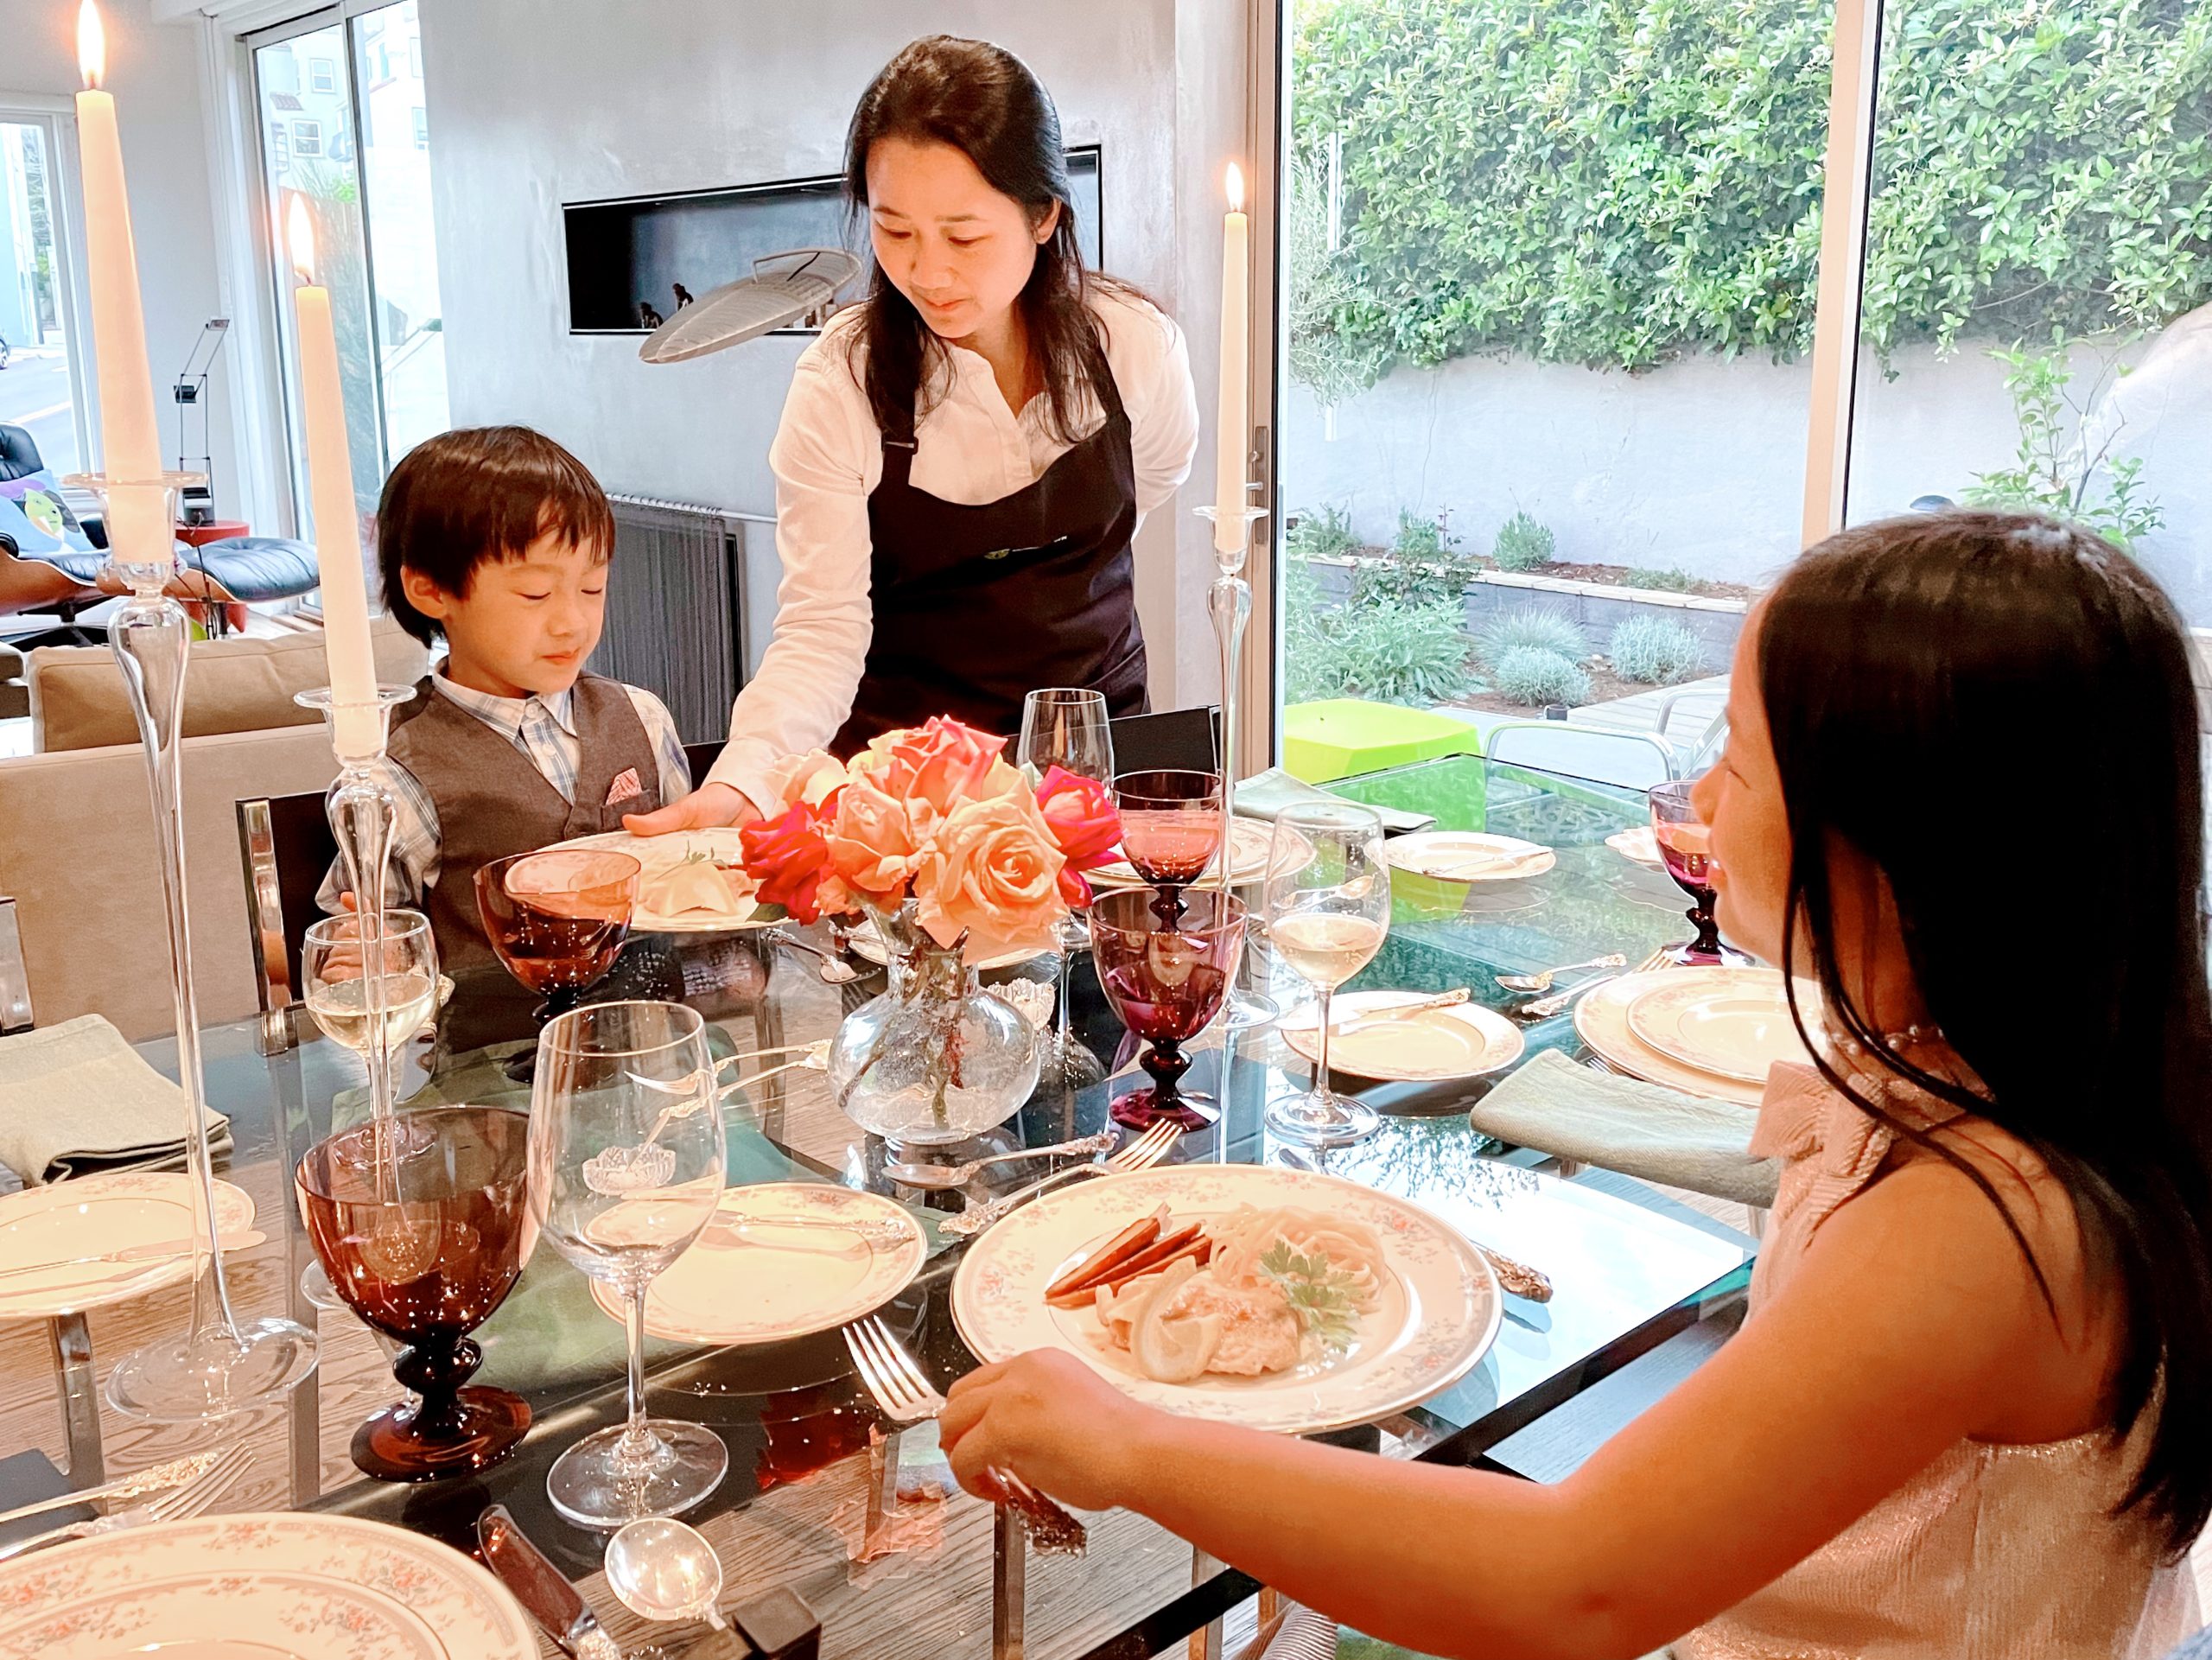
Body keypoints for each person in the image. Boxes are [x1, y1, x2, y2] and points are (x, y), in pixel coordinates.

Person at [939, 510, 2212, 1657]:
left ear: (1906, 840)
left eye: (1743, 761)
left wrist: (1134, 1444)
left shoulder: (1981, 1227)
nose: (1705, 799)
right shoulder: (2023, 1081)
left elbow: (1573, 1583)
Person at [629, 35, 1198, 835]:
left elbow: (1150, 486)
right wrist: (744, 785)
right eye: (895, 232)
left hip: (1092, 777)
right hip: (904, 807)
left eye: (963, 236)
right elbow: (822, 627)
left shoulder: (1133, 345)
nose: (927, 272)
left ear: (1044, 215)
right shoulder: (842, 384)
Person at [318, 425, 690, 973]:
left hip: (651, 1032)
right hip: (491, 1050)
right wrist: (366, 958)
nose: (572, 623)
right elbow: (362, 940)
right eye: (535, 593)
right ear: (431, 589)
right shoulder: (395, 772)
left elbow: (689, 867)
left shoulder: (641, 717)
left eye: (592, 588)